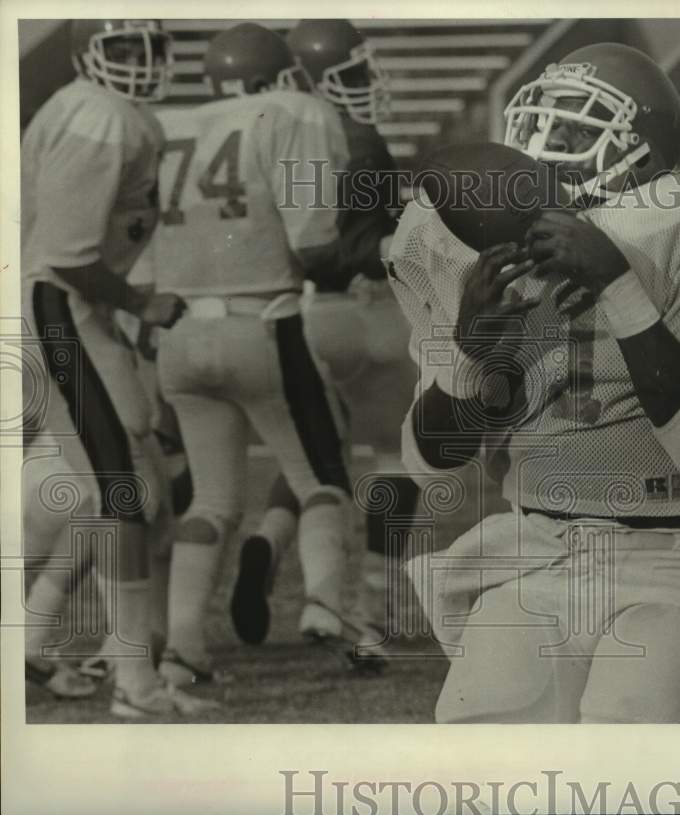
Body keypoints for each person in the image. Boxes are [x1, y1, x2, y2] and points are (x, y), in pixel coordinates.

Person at [387, 43, 680, 722]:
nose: (544, 150)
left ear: (641, 151)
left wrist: (616, 282)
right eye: (538, 126)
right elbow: (430, 464)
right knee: (485, 745)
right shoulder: (467, 259)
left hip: (668, 560)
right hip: (536, 554)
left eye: (575, 131)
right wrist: (469, 352)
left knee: (624, 749)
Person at [147, 22, 382, 688]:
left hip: (182, 335)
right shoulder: (294, 112)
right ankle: (328, 610)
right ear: (276, 76)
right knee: (323, 480)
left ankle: (184, 649)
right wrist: (382, 254)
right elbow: (313, 246)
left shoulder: (175, 125)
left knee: (212, 502)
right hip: (263, 325)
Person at [20, 19, 211, 717]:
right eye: (122, 47)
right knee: (120, 496)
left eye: (149, 46)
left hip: (81, 314)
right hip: (62, 308)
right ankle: (134, 684)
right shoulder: (99, 117)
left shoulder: (109, 112)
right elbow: (67, 258)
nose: (140, 62)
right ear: (87, 53)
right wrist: (141, 302)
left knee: (140, 494)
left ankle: (33, 643)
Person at [230, 19, 420, 647]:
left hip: (301, 316)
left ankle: (267, 543)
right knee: (396, 458)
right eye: (353, 75)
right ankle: (376, 602)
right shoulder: (353, 136)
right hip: (367, 309)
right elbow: (360, 242)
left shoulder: (258, 134)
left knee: (314, 457)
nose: (366, 86)